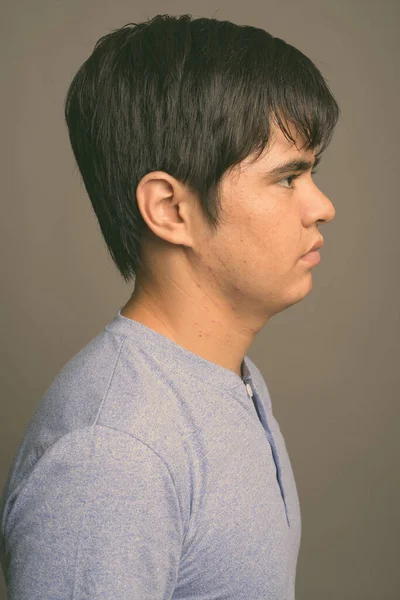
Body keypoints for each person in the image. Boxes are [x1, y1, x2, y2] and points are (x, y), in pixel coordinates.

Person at [0, 13, 339, 599]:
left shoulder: (232, 379)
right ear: (170, 210)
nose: (322, 205)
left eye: (312, 173)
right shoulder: (112, 456)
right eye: (287, 178)